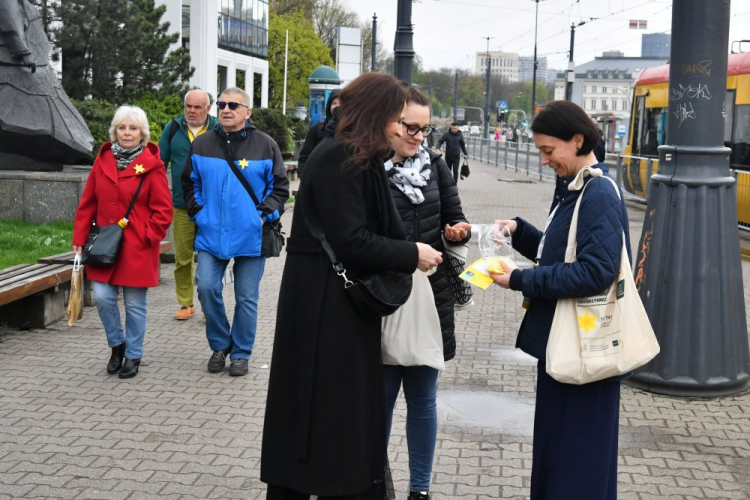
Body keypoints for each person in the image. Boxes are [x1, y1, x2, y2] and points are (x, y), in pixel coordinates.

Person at [261, 72, 444, 500]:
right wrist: (410, 255)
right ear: (376, 113)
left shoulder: (357, 156)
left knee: (334, 410)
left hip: (334, 300)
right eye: (397, 118)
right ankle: (331, 482)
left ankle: (339, 480)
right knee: (324, 408)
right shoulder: (340, 157)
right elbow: (353, 239)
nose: (401, 127)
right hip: (324, 304)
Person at [490, 100, 629, 500]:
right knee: (563, 455)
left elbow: (595, 271)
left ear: (578, 140)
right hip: (566, 345)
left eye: (549, 151)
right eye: (540, 151)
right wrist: (519, 232)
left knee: (575, 460)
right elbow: (558, 252)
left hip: (585, 348)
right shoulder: (575, 188)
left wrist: (520, 280)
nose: (544, 160)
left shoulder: (597, 192)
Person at [383, 86, 471, 500]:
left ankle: (420, 490)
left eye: (425, 128)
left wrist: (457, 231)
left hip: (431, 296)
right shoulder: (368, 169)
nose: (419, 136)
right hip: (381, 297)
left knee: (422, 398)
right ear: (388, 122)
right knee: (378, 401)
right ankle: (373, 482)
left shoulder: (435, 166)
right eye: (410, 127)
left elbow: (455, 216)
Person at [181, 87, 289, 377]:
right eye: (222, 104)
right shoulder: (202, 144)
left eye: (233, 105)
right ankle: (220, 345)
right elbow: (189, 184)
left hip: (252, 235)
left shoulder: (265, 145)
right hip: (211, 233)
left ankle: (240, 353)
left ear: (247, 112)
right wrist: (200, 213)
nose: (226, 109)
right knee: (206, 287)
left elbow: (280, 188)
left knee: (246, 297)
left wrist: (263, 216)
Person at [72, 105, 173, 379]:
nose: (127, 133)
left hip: (137, 247)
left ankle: (134, 355)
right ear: (114, 131)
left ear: (143, 133)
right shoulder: (102, 160)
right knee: (104, 298)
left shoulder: (152, 165)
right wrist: (80, 238)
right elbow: (88, 202)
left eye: (133, 128)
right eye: (122, 127)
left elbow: (163, 210)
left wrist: (147, 236)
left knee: (134, 305)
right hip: (105, 244)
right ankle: (117, 345)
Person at [158, 89, 218, 321]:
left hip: (211, 208)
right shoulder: (173, 128)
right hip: (183, 206)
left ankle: (208, 304)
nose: (192, 111)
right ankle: (185, 303)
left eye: (197, 107)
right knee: (182, 258)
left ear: (208, 109)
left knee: (210, 257)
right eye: (188, 107)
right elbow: (159, 164)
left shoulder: (218, 129)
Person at [297, 89, 341, 178]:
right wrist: (305, 180)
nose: (337, 107)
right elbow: (304, 157)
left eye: (341, 103)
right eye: (334, 103)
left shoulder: (352, 132)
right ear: (329, 106)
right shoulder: (317, 130)